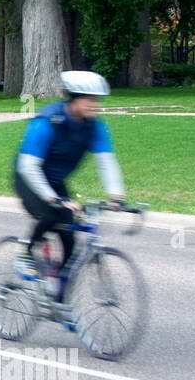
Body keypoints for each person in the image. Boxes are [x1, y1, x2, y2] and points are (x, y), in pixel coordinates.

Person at [13, 70, 126, 292]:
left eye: (97, 100)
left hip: (55, 182)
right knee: (49, 214)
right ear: (74, 99)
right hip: (28, 178)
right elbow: (29, 166)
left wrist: (116, 195)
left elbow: (107, 163)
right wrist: (52, 198)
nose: (94, 105)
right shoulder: (48, 122)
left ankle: (60, 299)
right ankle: (25, 253)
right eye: (89, 100)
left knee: (69, 238)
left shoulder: (95, 127)